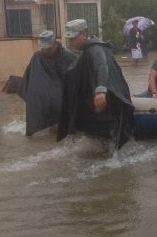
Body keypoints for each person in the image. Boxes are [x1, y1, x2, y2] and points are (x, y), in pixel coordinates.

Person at [57, 19, 135, 150]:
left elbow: (102, 66)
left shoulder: (95, 49)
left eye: (74, 38)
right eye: (69, 39)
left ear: (84, 34)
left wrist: (100, 91)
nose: (71, 42)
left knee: (113, 140)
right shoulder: (87, 50)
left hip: (107, 100)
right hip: (100, 103)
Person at [19, 31, 76, 136]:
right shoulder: (37, 57)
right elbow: (28, 79)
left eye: (48, 48)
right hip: (42, 107)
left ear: (55, 44)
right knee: (40, 137)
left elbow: (76, 82)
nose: (45, 51)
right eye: (43, 48)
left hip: (61, 107)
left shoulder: (69, 57)